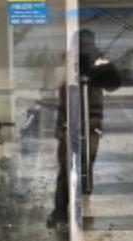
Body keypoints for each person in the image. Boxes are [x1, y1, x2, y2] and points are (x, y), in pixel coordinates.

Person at [48, 29, 121, 229]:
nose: (84, 50)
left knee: (86, 162)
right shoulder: (65, 63)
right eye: (81, 45)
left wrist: (102, 66)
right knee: (66, 168)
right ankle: (60, 211)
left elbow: (114, 84)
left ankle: (80, 199)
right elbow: (54, 82)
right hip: (68, 123)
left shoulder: (98, 63)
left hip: (91, 123)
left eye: (88, 45)